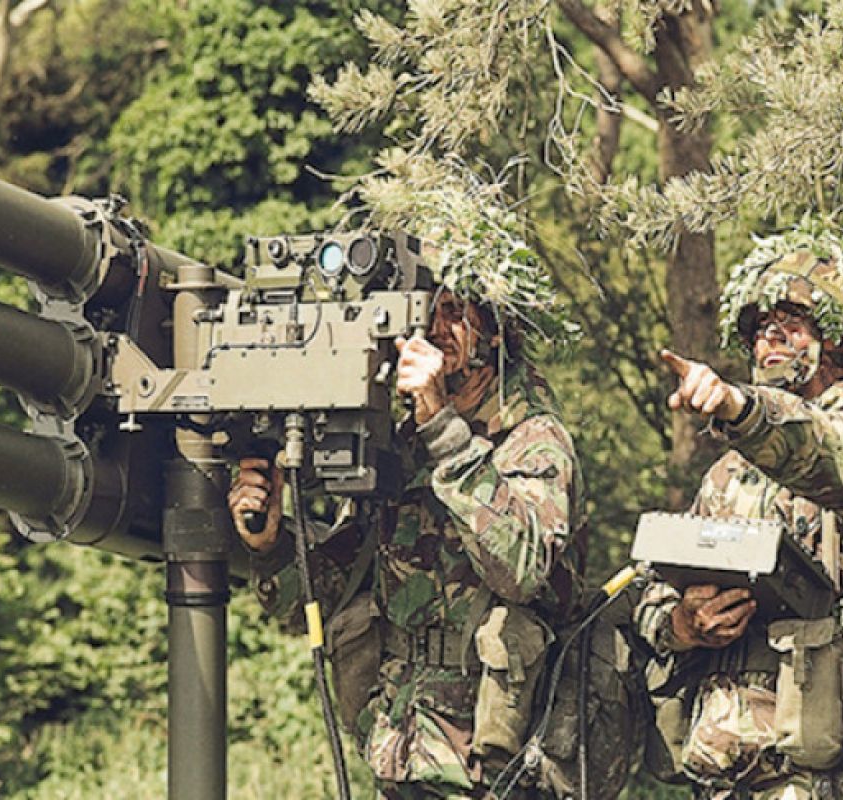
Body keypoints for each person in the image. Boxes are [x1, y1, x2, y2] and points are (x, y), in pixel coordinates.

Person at [228, 278, 640, 799]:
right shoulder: (402, 444)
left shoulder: (534, 440)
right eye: (424, 310)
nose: (434, 325)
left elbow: (522, 570)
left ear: (495, 332)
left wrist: (444, 429)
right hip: (405, 755)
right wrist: (271, 544)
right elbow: (332, 591)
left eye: (455, 312)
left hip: (503, 766)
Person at [635, 220, 843, 799]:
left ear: (838, 338)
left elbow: (824, 455)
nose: (772, 339)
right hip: (723, 771)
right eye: (761, 329)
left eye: (792, 324)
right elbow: (650, 594)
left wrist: (741, 409)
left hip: (827, 770)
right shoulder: (727, 475)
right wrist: (685, 624)